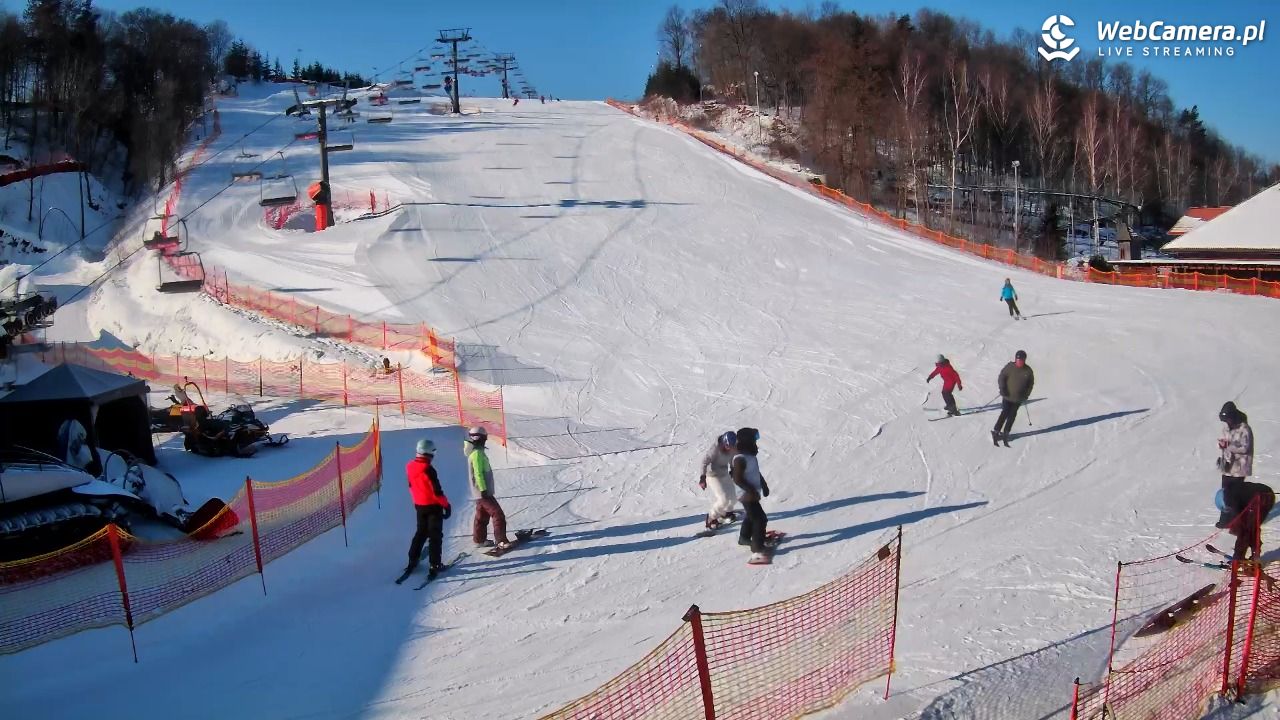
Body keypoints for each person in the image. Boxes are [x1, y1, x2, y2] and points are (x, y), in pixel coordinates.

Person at [404, 438, 451, 579]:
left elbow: (411, 486)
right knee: (435, 535)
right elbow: (437, 491)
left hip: (419, 505)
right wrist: (446, 505)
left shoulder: (410, 466)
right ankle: (435, 564)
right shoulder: (429, 469)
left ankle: (413, 559)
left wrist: (417, 500)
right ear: (429, 453)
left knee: (421, 532)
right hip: (433, 507)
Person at [465, 426, 510, 550]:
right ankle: (501, 540)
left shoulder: (475, 453)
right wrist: (483, 489)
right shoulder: (477, 454)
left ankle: (479, 539)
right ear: (481, 438)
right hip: (483, 492)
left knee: (482, 516)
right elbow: (478, 473)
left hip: (479, 493)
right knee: (498, 514)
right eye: (485, 438)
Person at [731, 427, 771, 563]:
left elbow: (756, 473)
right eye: (754, 438)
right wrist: (751, 490)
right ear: (748, 440)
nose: (756, 441)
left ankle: (744, 537)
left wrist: (764, 486)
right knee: (760, 520)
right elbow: (737, 478)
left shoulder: (749, 456)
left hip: (751, 494)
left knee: (751, 516)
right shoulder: (740, 458)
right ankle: (757, 550)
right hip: (746, 495)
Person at [1217, 401, 1255, 527]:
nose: (1227, 422)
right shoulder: (1226, 428)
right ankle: (1225, 520)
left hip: (1239, 468)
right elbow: (1223, 444)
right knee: (1225, 493)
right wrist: (1222, 450)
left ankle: (1237, 521)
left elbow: (1245, 448)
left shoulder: (1244, 429)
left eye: (1228, 419)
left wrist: (1229, 446)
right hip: (1228, 466)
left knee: (1234, 495)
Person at [698, 431, 739, 530]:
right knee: (723, 499)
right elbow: (704, 462)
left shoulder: (733, 447)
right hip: (713, 475)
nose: (729, 448)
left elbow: (732, 457)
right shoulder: (715, 449)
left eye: (731, 446)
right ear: (724, 442)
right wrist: (702, 477)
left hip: (724, 473)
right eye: (728, 446)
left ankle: (726, 513)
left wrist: (733, 469)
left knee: (733, 497)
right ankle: (711, 518)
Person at [992, 350, 1034, 446]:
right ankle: (996, 431)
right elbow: (1001, 377)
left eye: (1021, 360)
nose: (1019, 362)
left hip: (1018, 398)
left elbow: (1030, 384)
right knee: (1005, 412)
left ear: (1024, 360)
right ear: (1015, 359)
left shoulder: (1028, 371)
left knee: (1012, 415)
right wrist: (1002, 388)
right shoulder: (1010, 367)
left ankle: (1006, 432)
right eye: (1018, 360)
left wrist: (1026, 394)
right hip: (1007, 396)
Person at [1225, 481, 1274, 562]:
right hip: (1267, 495)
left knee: (1246, 529)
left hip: (1262, 498)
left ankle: (1239, 559)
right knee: (1251, 527)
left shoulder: (1230, 500)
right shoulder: (1230, 493)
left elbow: (1241, 526)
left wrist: (1237, 557)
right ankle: (1254, 556)